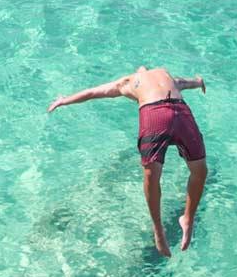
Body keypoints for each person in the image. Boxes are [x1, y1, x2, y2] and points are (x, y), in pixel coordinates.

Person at [48, 65, 208, 257]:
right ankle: (162, 227)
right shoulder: (160, 75)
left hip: (163, 112)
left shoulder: (129, 81)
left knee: (166, 174)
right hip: (176, 111)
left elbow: (92, 92)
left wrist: (64, 100)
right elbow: (186, 82)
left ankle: (184, 220)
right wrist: (199, 82)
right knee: (191, 171)